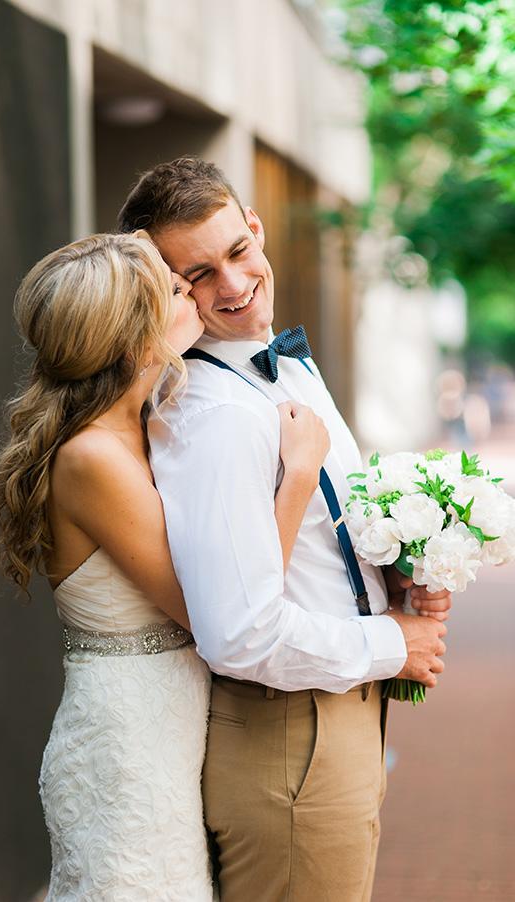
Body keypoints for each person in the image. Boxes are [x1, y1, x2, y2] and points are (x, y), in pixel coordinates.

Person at [117, 157, 451, 902]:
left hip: (329, 721)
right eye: (197, 275)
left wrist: (392, 571)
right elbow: (236, 633)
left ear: (257, 229)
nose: (233, 286)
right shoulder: (215, 417)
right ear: (165, 291)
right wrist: (395, 641)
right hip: (290, 739)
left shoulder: (283, 369)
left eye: (237, 252)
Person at [0, 231, 330, 900]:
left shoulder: (146, 425)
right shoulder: (92, 458)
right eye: (175, 288)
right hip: (127, 749)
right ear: (134, 335)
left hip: (171, 731)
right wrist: (299, 477)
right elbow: (214, 611)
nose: (193, 290)